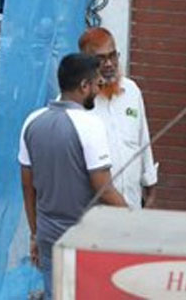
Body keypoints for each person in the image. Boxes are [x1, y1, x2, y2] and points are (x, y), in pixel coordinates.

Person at [19, 53, 128, 300]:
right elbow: (104, 189)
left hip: (48, 235)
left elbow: (27, 187)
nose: (99, 89)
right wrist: (134, 218)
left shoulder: (32, 122)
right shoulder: (90, 125)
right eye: (97, 84)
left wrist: (35, 233)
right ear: (84, 86)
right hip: (85, 238)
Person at [78, 27, 158, 209]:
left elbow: (143, 140)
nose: (109, 64)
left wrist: (150, 183)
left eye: (113, 56)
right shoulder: (77, 100)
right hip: (93, 210)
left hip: (132, 202)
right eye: (101, 59)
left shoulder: (131, 91)